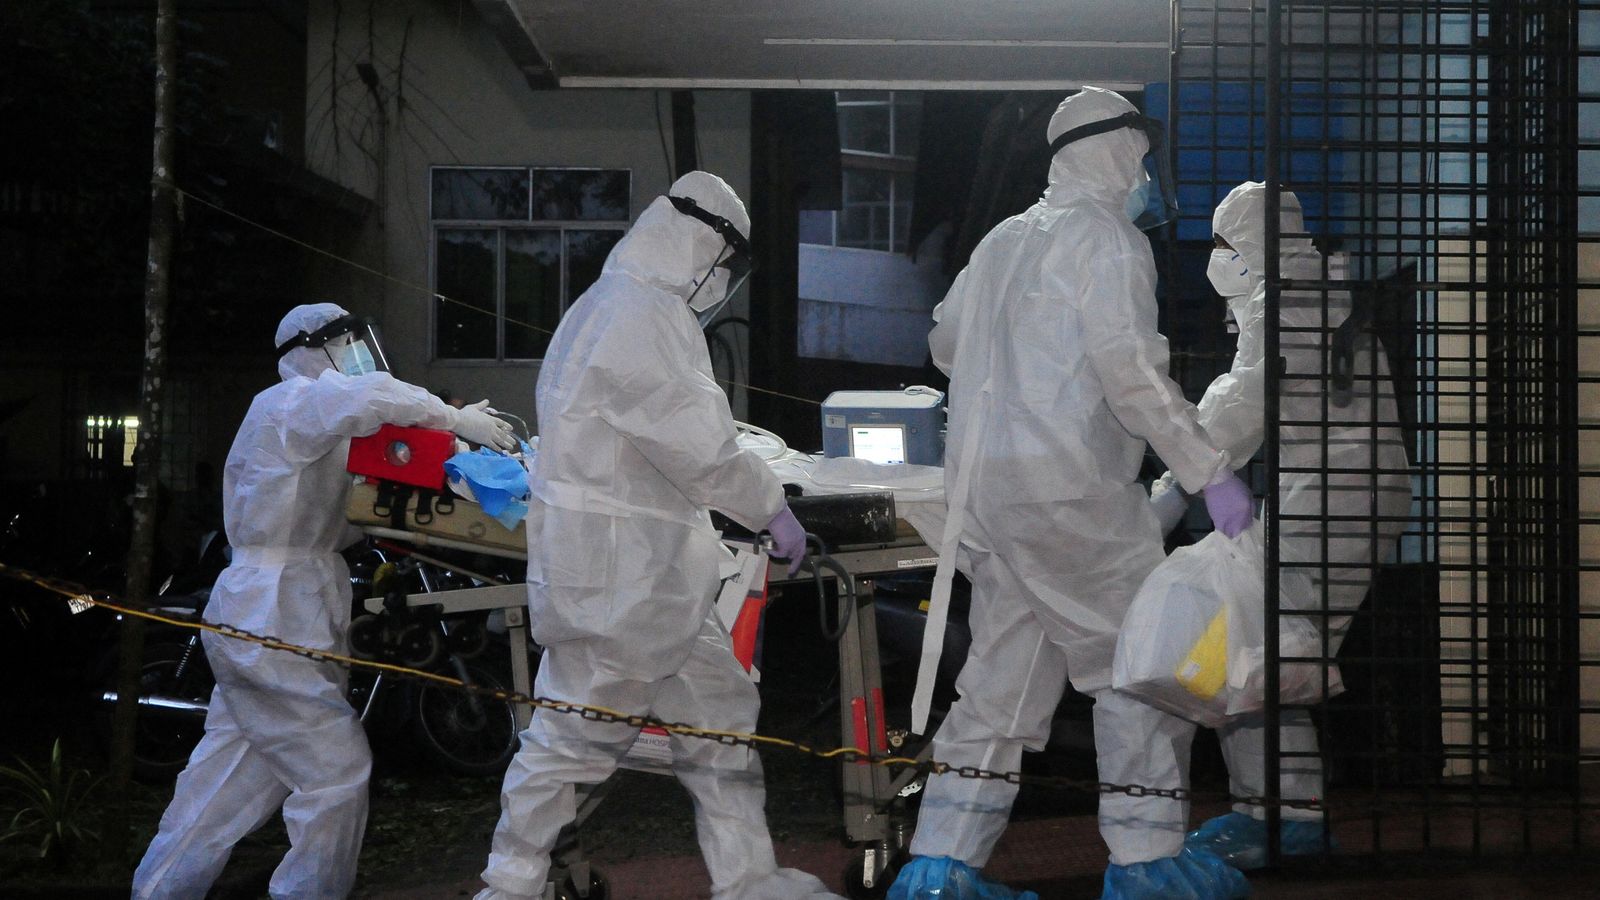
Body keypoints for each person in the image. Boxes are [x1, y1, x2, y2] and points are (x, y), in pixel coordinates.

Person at [888, 87, 1253, 900]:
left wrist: (1013, 356)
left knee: (997, 688)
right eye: (1141, 157)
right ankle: (1149, 863)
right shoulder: (1109, 241)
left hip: (989, 500)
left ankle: (940, 869)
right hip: (1075, 500)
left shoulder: (1001, 241)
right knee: (1137, 676)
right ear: (1117, 151)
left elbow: (945, 343)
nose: (1147, 175)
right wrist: (1210, 473)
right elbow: (1133, 376)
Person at [475, 171, 838, 900]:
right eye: (725, 264)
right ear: (703, 247)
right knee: (572, 742)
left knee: (721, 718)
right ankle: (510, 886)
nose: (722, 283)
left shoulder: (609, 306)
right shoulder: (642, 313)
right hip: (623, 586)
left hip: (653, 583)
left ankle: (750, 879)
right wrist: (771, 509)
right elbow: (698, 443)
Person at [133, 303, 517, 900]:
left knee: (220, 790)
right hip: (271, 614)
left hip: (280, 610)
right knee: (336, 775)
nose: (355, 355)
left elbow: (352, 502)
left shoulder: (320, 424)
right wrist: (453, 418)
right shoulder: (289, 404)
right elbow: (370, 397)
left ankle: (159, 890)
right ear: (313, 349)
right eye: (344, 343)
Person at [1149, 182, 1411, 870]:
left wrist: (1176, 487)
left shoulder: (1286, 302)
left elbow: (1243, 400)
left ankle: (1286, 819)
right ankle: (1272, 812)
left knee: (1251, 651)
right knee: (1262, 651)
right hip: (1336, 491)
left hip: (1337, 495)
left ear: (1248, 244)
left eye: (1222, 242)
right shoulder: (1309, 292)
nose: (1214, 258)